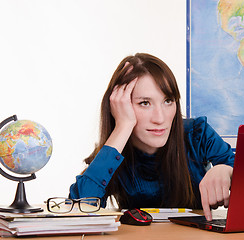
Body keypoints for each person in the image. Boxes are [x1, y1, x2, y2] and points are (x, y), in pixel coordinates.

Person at [69, 53, 234, 221]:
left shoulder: (197, 134)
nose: (160, 118)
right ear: (119, 106)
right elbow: (80, 210)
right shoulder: (114, 152)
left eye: (168, 100)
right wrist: (123, 126)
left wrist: (228, 171)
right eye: (144, 103)